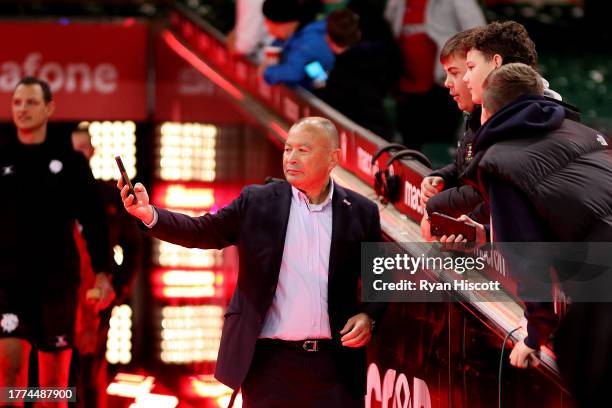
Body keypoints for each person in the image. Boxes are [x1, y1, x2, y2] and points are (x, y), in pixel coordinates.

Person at [119, 117, 385, 407]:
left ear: (333, 157)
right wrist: (149, 214)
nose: (291, 158)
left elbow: (381, 278)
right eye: (287, 150)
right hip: (269, 366)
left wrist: (369, 316)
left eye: (303, 150)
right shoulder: (257, 202)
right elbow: (202, 230)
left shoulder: (361, 211)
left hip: (335, 368)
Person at [462, 63, 612, 407]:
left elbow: (529, 256)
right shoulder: (582, 131)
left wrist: (535, 334)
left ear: (486, 110)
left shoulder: (498, 162)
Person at [0, 77, 113, 408]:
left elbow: (94, 221)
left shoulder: (71, 164)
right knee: (9, 379)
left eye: (31, 102)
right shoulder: (1, 159)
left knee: (53, 389)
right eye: (17, 102)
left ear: (49, 108)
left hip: (56, 286)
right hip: (8, 285)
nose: (23, 109)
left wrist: (104, 273)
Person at [71, 123, 143, 408]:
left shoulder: (108, 196)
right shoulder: (52, 196)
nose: (78, 154)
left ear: (91, 151)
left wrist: (119, 286)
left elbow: (133, 246)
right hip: (60, 297)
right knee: (58, 371)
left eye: (82, 148)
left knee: (92, 368)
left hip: (97, 297)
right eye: (73, 149)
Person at [419, 28, 489, 241]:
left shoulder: (497, 122)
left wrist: (436, 210)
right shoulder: (473, 116)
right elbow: (466, 167)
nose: (447, 82)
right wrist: (441, 177)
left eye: (455, 72)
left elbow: (487, 192)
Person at [315, 8, 399, 139]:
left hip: (362, 140)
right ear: (358, 34)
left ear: (328, 40)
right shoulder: (379, 58)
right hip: (381, 134)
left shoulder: (340, 74)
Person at [261, 0, 335, 90]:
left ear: (285, 24)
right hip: (310, 89)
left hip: (321, 94)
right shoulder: (296, 34)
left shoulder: (308, 43)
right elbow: (277, 45)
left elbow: (294, 72)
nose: (270, 31)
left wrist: (267, 72)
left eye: (271, 25)